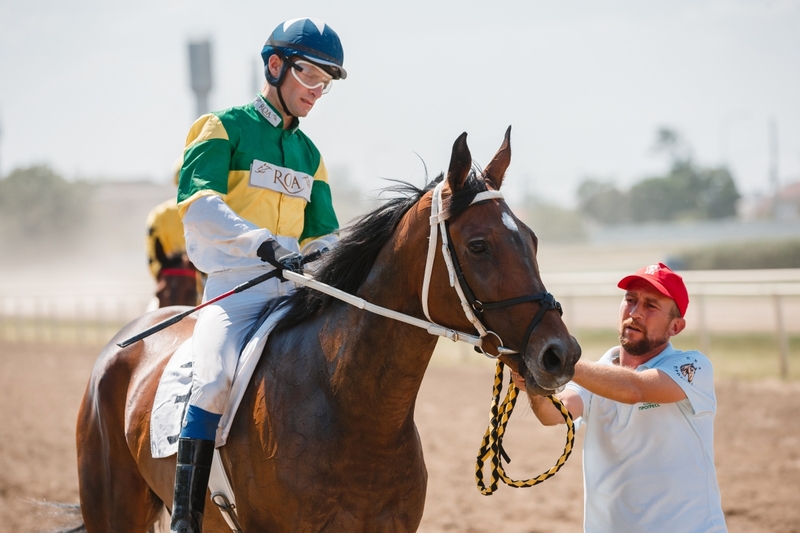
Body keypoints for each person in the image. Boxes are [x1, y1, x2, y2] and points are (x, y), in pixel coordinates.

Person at [169, 17, 345, 533]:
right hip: (235, 292)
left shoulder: (311, 156)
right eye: (311, 76)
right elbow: (199, 206)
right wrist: (262, 242)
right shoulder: (221, 128)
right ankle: (185, 516)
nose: (318, 92)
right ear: (275, 65)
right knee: (214, 379)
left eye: (327, 83)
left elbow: (323, 236)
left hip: (295, 293)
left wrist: (333, 258)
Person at [515, 263, 727, 533]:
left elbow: (634, 390)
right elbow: (555, 413)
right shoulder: (599, 372)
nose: (636, 312)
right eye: (630, 300)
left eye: (651, 305)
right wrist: (534, 386)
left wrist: (560, 360)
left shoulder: (693, 366)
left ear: (676, 326)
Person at [145, 161, 201, 310]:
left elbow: (153, 261)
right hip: (194, 281)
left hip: (178, 281)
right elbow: (154, 257)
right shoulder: (213, 211)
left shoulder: (159, 214)